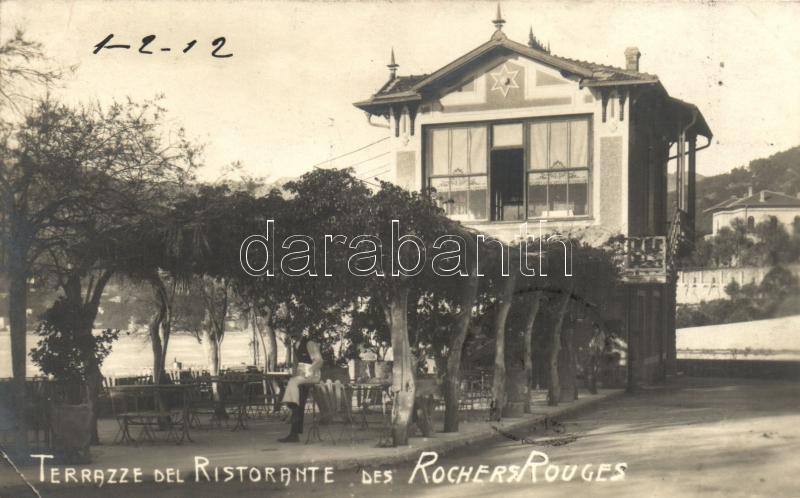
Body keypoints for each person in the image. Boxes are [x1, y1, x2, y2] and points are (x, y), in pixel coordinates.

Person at [278, 333, 323, 443]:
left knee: (293, 385)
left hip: (312, 375)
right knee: (294, 392)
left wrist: (309, 371)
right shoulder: (295, 345)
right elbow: (296, 364)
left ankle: (289, 405)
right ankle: (294, 432)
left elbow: (319, 361)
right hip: (301, 377)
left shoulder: (309, 343)